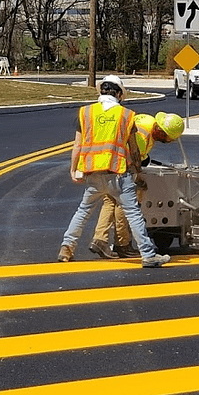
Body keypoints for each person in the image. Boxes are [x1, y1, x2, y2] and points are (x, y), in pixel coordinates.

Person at [58, 75, 171, 267]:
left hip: (93, 174)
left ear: (101, 91)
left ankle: (66, 248)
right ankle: (148, 254)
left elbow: (77, 145)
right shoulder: (126, 115)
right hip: (118, 174)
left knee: (83, 211)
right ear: (119, 94)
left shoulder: (85, 113)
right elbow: (134, 150)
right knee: (133, 213)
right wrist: (138, 173)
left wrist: (73, 169)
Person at [88, 111, 185, 259]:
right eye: (169, 138)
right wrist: (139, 179)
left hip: (106, 160)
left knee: (109, 200)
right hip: (120, 165)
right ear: (161, 132)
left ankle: (99, 240)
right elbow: (133, 159)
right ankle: (123, 245)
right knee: (125, 203)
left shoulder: (147, 120)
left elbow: (142, 156)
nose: (169, 141)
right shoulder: (142, 136)